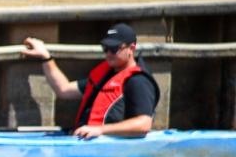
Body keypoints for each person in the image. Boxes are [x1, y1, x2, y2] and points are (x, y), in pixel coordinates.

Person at [22, 23, 159, 139]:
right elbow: (63, 90)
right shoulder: (105, 76)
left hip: (108, 146)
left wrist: (100, 130)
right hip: (85, 140)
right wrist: (45, 57)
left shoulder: (138, 81)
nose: (108, 53)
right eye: (105, 48)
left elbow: (144, 124)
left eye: (114, 48)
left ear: (132, 48)